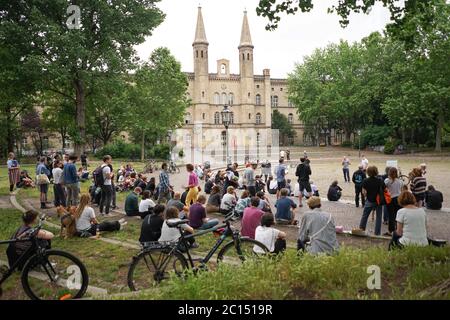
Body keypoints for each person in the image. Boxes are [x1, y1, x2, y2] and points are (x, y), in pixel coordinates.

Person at [359, 166, 385, 236]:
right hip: (379, 201)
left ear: (368, 172)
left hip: (369, 200)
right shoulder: (380, 180)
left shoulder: (365, 180)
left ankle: (361, 230)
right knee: (379, 217)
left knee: (365, 216)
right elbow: (384, 189)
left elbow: (364, 192)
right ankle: (377, 233)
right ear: (376, 171)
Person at [384, 167, 403, 236]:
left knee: (391, 215)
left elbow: (384, 188)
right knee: (398, 215)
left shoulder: (387, 181)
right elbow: (401, 189)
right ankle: (398, 229)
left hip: (390, 199)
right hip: (398, 198)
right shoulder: (400, 181)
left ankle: (390, 230)